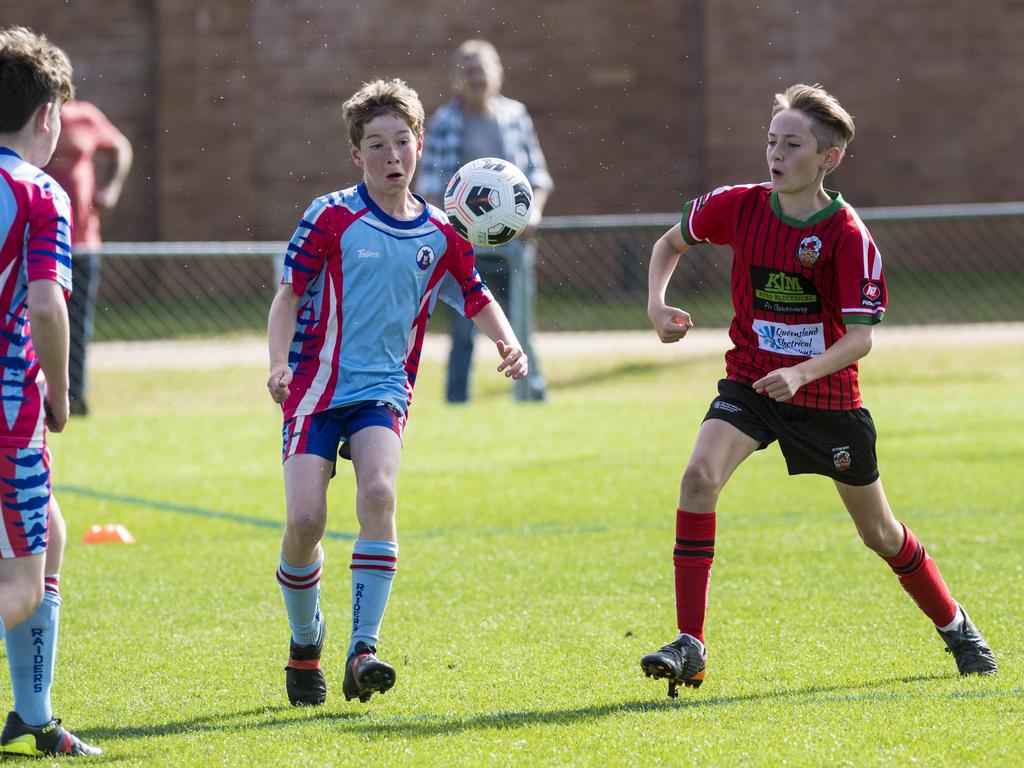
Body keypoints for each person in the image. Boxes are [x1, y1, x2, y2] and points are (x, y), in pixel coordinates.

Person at [639, 83, 996, 698]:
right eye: (771, 141)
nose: (776, 155)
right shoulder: (740, 205)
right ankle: (690, 645)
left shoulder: (847, 235)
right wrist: (656, 305)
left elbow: (861, 339)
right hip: (752, 382)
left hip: (827, 401)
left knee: (879, 533)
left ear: (827, 159)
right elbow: (668, 243)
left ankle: (956, 625)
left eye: (792, 145)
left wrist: (803, 372)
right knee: (698, 478)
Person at [266, 78, 527, 707]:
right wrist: (277, 363)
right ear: (356, 153)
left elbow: (473, 292)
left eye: (401, 143)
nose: (391, 157)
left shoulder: (441, 229)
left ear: (419, 147)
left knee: (379, 494)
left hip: (383, 390)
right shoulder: (331, 215)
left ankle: (363, 648)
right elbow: (288, 295)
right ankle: (306, 644)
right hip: (314, 388)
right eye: (376, 145)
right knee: (306, 520)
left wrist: (507, 340)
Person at [0, 26, 101, 756]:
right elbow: (45, 305)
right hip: (10, 409)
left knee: (52, 538)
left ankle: (33, 716)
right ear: (46, 115)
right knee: (23, 585)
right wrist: (59, 396)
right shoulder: (38, 192)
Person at [416, 39, 553, 403]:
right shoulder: (444, 122)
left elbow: (537, 174)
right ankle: (457, 402)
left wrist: (532, 213)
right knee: (463, 331)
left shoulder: (515, 116)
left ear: (498, 74)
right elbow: (430, 185)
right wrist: (448, 234)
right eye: (468, 71)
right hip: (464, 247)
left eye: (483, 70)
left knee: (521, 325)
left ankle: (533, 396)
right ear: (455, 79)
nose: (476, 78)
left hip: (514, 244)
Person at [45, 99, 133, 417]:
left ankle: (76, 395)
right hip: (38, 240)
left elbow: (120, 147)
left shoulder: (86, 117)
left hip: (82, 242)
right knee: (39, 317)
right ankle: (38, 391)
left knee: (78, 321)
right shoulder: (35, 118)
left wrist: (111, 188)